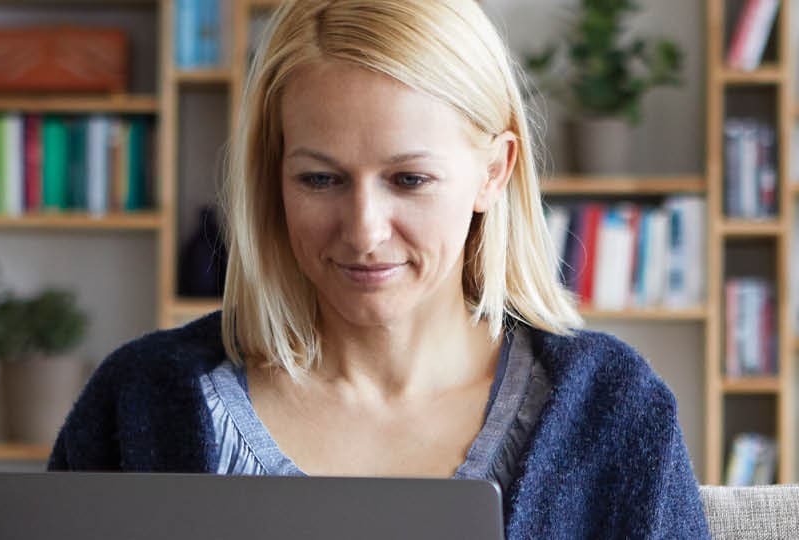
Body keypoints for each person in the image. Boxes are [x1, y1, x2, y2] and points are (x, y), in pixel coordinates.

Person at [49, 0, 708, 536]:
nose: (364, 231)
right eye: (320, 178)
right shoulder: (138, 399)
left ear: (493, 172)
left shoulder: (611, 410)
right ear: (272, 180)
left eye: (409, 178)